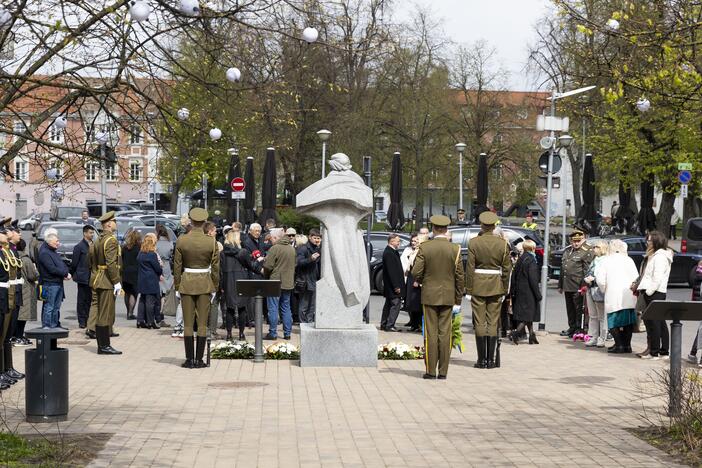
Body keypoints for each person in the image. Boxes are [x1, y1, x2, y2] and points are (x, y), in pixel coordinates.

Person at [411, 215, 464, 379]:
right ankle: (443, 372)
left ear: (433, 228)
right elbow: (460, 277)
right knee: (445, 333)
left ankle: (430, 370)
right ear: (446, 229)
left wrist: (423, 282)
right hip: (448, 295)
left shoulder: (425, 247)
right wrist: (458, 298)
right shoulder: (455, 249)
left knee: (431, 333)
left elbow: (416, 272)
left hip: (429, 294)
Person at [173, 208, 220, 368]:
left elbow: (177, 266)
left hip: (186, 282)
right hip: (205, 283)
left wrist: (178, 286)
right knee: (202, 324)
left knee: (187, 324)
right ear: (204, 222)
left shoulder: (182, 240)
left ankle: (189, 359)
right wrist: (214, 286)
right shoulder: (211, 242)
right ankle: (199, 359)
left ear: (191, 221)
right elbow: (215, 268)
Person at [465, 211, 512, 369]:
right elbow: (506, 269)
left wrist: (469, 289)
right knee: (492, 322)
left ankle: (481, 360)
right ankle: (491, 361)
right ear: (494, 226)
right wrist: (504, 290)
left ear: (482, 225)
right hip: (496, 285)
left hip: (478, 285)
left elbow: (470, 268)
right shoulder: (503, 244)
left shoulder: (474, 242)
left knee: (479, 321)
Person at [596, 239, 639, 354]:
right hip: (628, 294)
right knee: (628, 322)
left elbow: (600, 279)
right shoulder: (629, 260)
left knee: (613, 321)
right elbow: (636, 277)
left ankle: (619, 345)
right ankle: (627, 346)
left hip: (613, 293)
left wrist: (604, 288)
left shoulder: (606, 260)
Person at [90, 211, 123, 355]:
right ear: (109, 224)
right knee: (105, 314)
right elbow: (111, 263)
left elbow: (91, 259)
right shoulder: (110, 240)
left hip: (98, 277)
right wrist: (116, 282)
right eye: (114, 221)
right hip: (106, 281)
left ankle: (102, 345)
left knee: (101, 313)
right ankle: (104, 346)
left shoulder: (99, 239)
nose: (116, 223)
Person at [637, 230, 673, 359]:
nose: (647, 242)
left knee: (655, 323)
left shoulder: (660, 257)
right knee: (659, 322)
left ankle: (655, 352)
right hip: (655, 292)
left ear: (656, 241)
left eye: (650, 240)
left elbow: (657, 278)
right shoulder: (657, 255)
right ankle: (662, 351)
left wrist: (648, 292)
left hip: (654, 292)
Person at [220, 230, 261, 340]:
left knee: (229, 308)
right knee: (242, 308)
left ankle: (229, 334)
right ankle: (241, 334)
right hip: (242, 280)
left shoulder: (222, 253)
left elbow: (220, 270)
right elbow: (251, 266)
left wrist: (221, 285)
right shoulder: (242, 252)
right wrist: (259, 263)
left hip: (228, 281)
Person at [558, 229, 593, 337]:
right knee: (570, 308)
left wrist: (584, 286)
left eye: (578, 241)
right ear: (571, 241)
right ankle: (572, 327)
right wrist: (560, 285)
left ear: (583, 239)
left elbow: (587, 270)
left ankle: (579, 328)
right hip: (567, 284)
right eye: (574, 241)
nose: (576, 243)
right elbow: (563, 268)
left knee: (579, 309)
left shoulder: (587, 250)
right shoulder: (568, 250)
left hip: (578, 284)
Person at [262, 228, 296, 340]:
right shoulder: (291, 249)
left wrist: (265, 274)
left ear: (276, 237)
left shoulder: (275, 248)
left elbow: (268, 266)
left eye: (271, 238)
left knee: (273, 308)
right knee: (286, 308)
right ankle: (287, 333)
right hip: (288, 282)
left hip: (275, 282)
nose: (271, 240)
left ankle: (273, 333)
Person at [509, 239, 542, 345]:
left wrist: (513, 289)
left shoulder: (522, 258)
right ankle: (516, 333)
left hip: (520, 290)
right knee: (527, 315)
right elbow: (533, 279)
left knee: (528, 314)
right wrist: (538, 294)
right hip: (529, 292)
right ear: (532, 248)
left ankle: (532, 335)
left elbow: (514, 275)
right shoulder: (531, 260)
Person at [37, 231, 70, 329]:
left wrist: (66, 272)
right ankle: (47, 325)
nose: (58, 243)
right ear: (49, 242)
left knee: (56, 306)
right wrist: (64, 273)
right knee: (49, 306)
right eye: (56, 241)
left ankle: (55, 324)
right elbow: (51, 268)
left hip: (57, 282)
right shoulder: (44, 253)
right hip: (50, 283)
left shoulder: (53, 251)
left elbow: (62, 265)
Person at [583, 240, 609, 347]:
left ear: (603, 248)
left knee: (601, 316)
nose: (594, 249)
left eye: (596, 247)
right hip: (590, 288)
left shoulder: (606, 260)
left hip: (599, 290)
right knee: (592, 315)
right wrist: (587, 278)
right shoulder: (594, 260)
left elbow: (605, 277)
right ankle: (593, 336)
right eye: (594, 247)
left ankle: (602, 337)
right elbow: (588, 271)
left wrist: (594, 279)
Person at [13, 238, 37, 346]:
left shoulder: (13, 256)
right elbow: (32, 275)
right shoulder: (26, 260)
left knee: (17, 315)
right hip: (26, 289)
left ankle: (16, 336)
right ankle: (18, 336)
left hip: (16, 288)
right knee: (23, 317)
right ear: (24, 247)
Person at [136, 233, 163, 329]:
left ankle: (140, 320)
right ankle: (150, 322)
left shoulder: (140, 254)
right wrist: (160, 270)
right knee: (150, 302)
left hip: (142, 280)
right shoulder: (152, 255)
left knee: (142, 300)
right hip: (151, 280)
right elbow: (158, 269)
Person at [70, 225, 95, 328]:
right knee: (82, 300)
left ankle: (89, 319)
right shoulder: (79, 247)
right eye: (90, 233)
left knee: (90, 299)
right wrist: (73, 273)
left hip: (92, 277)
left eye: (93, 233)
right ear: (85, 233)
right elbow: (74, 263)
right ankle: (82, 321)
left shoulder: (93, 245)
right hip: (82, 277)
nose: (92, 234)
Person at [296, 228, 321, 324]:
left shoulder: (318, 248)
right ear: (310, 237)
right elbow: (299, 262)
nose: (317, 240)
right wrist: (310, 259)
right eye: (315, 238)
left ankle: (309, 323)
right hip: (306, 281)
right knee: (304, 304)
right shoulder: (303, 248)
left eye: (318, 238)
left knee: (312, 305)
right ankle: (303, 323)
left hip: (314, 280)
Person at [381, 233, 405, 332]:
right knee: (396, 304)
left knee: (389, 304)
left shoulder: (392, 251)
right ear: (392, 241)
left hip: (392, 285)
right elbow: (392, 272)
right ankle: (390, 325)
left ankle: (384, 324)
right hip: (393, 285)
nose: (399, 243)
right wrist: (396, 286)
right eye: (397, 241)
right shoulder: (389, 253)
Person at [404, 233, 427, 332]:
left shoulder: (420, 252)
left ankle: (418, 325)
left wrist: (418, 280)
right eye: (413, 241)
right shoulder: (412, 252)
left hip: (416, 279)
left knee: (416, 303)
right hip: (410, 277)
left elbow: (421, 267)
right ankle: (413, 324)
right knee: (410, 302)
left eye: (416, 241)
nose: (414, 243)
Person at [155, 224, 173, 328]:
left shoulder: (156, 243)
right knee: (164, 293)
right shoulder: (170, 243)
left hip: (157, 266)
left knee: (158, 293)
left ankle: (157, 316)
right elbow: (171, 255)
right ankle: (161, 316)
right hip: (166, 267)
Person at [121, 230, 141, 320]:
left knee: (127, 292)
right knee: (134, 293)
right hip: (135, 272)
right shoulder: (139, 247)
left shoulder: (124, 248)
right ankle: (130, 312)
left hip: (125, 271)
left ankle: (127, 311)